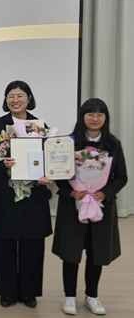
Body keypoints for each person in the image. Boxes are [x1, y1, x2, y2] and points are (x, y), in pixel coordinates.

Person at [53, 98, 128, 315]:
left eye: (99, 115)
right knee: (71, 252)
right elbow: (58, 173)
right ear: (82, 117)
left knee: (97, 252)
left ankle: (92, 296)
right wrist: (71, 192)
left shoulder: (113, 144)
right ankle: (69, 297)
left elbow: (121, 177)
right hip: (73, 206)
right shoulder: (69, 142)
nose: (95, 119)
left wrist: (105, 193)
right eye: (90, 114)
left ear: (105, 118)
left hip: (100, 206)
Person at [0, 81, 53, 308]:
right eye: (11, 96)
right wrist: (2, 164)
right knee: (4, 243)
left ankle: (29, 292)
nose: (15, 100)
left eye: (20, 95)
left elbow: (48, 158)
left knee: (32, 243)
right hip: (5, 193)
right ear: (5, 100)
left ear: (29, 98)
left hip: (33, 195)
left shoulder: (39, 126)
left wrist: (46, 174)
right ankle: (7, 292)